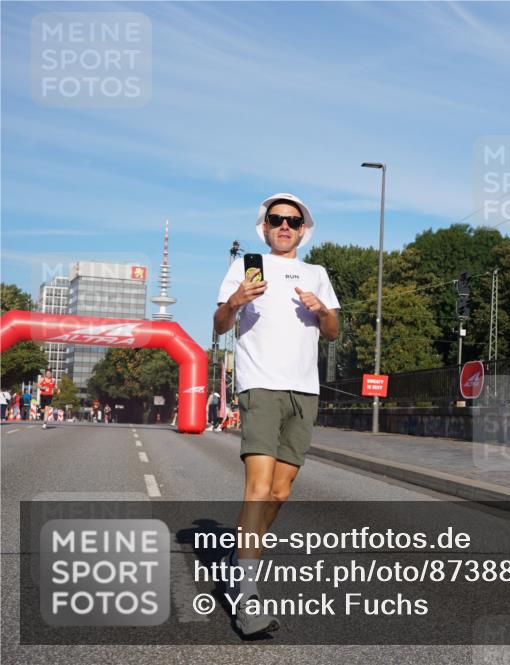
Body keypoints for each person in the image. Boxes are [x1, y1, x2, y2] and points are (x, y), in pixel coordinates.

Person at [214, 192, 339, 636]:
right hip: (261, 385)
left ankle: (237, 559)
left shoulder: (317, 273)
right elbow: (219, 325)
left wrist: (321, 311)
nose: (285, 225)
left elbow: (333, 331)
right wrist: (235, 301)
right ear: (264, 227)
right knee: (259, 488)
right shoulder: (245, 267)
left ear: (304, 230)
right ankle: (246, 595)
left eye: (293, 220)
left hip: (304, 390)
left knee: (280, 493)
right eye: (276, 219)